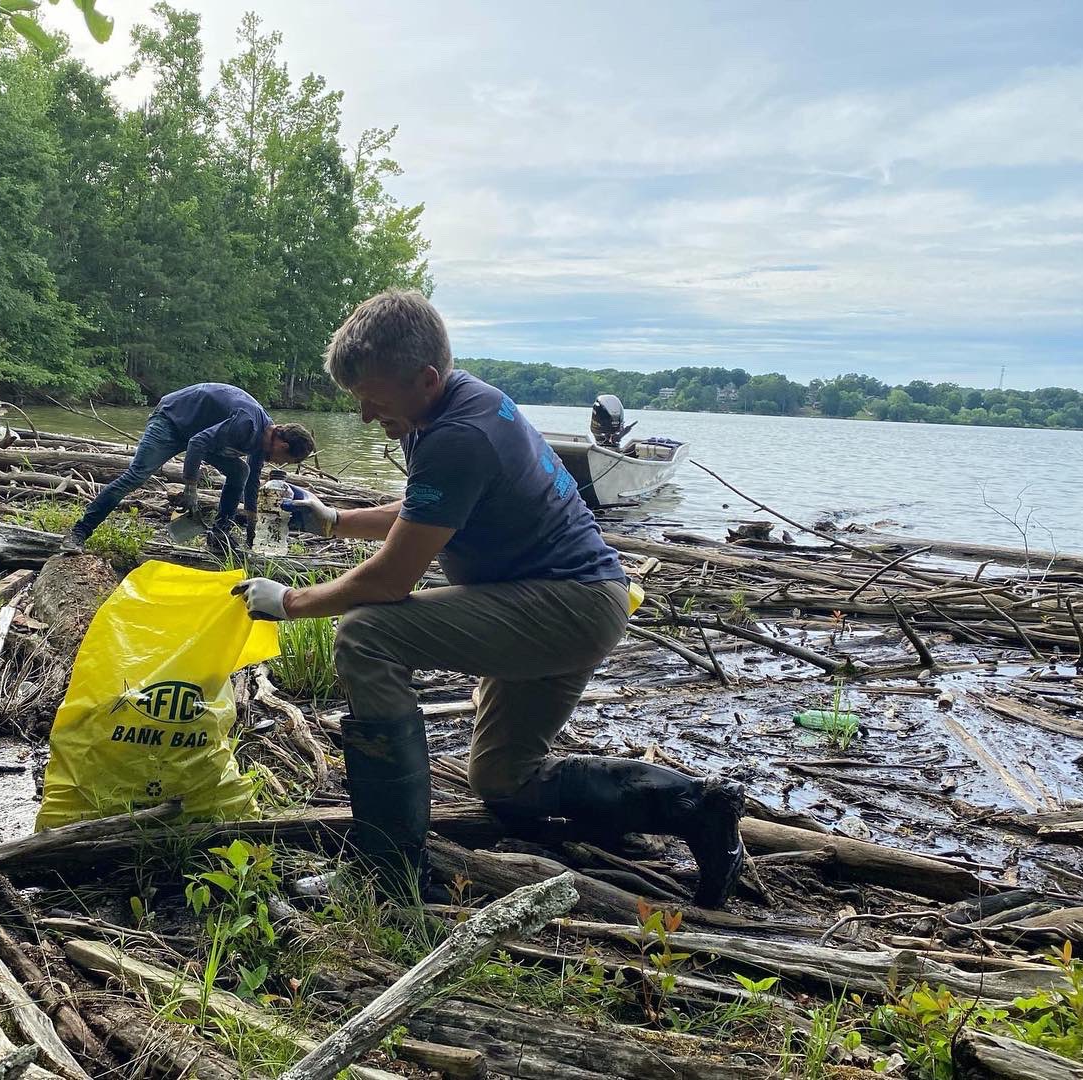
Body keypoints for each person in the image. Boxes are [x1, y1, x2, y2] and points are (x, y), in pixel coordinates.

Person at [233, 291, 744, 907]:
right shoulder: (455, 405)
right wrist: (335, 520)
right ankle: (696, 806)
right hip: (578, 600)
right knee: (503, 778)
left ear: (425, 378)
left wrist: (287, 601)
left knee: (365, 634)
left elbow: (390, 582)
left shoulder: (459, 435)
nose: (366, 416)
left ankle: (388, 871)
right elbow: (431, 510)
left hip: (564, 607)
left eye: (372, 398)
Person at [61, 383, 315, 553]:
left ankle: (218, 536)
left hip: (200, 432)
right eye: (285, 459)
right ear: (282, 442)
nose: (280, 464)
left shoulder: (263, 441)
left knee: (241, 472)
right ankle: (79, 532)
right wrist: (191, 486)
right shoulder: (246, 424)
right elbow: (197, 443)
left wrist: (252, 525)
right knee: (136, 476)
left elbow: (251, 483)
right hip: (172, 421)